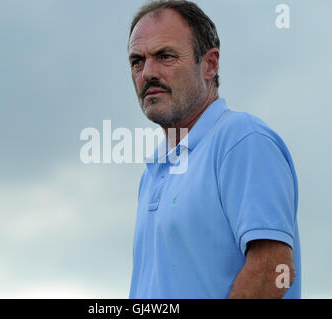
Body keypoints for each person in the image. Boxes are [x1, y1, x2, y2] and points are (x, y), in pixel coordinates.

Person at [128, 0, 301, 298]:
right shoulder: (153, 172)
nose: (147, 73)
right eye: (137, 61)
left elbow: (274, 270)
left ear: (209, 64)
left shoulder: (242, 140)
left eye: (165, 56)